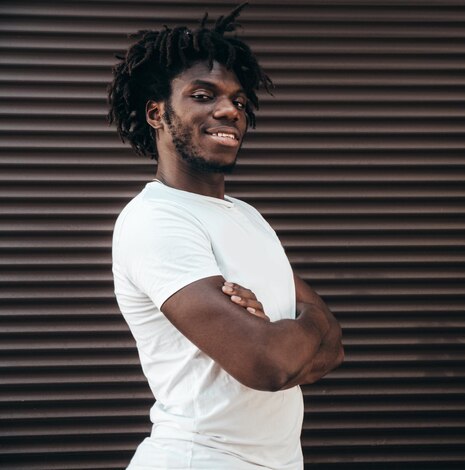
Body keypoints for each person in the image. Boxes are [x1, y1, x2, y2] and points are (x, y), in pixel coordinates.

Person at [107, 4, 344, 469]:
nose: (228, 110)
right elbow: (269, 364)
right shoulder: (155, 220)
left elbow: (335, 349)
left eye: (238, 100)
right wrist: (305, 327)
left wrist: (293, 332)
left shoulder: (247, 216)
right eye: (202, 94)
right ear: (157, 114)